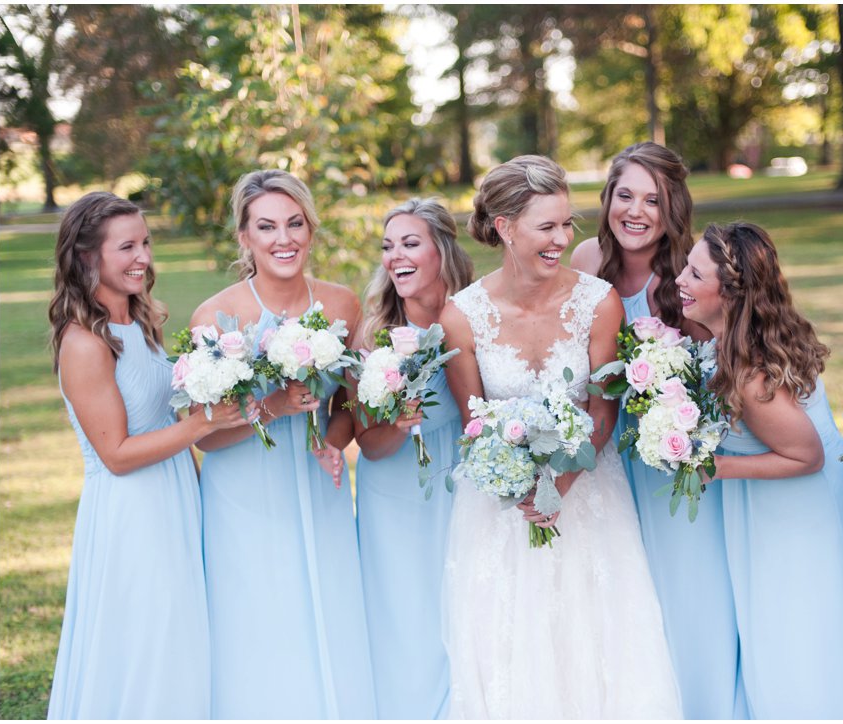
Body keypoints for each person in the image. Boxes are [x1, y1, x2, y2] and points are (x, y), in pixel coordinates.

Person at [440, 155, 681, 718]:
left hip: (587, 496)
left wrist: (560, 482)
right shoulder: (462, 316)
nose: (562, 238)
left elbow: (602, 412)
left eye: (566, 224)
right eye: (546, 227)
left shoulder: (598, 302)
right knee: (510, 647)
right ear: (503, 227)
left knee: (596, 644)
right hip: (501, 508)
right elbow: (474, 421)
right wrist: (521, 483)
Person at [46, 192, 253, 718]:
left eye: (145, 243)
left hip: (175, 497)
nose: (143, 257)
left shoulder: (140, 324)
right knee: (147, 645)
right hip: (131, 513)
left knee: (178, 638)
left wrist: (255, 408)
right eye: (127, 247)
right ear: (88, 256)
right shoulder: (84, 343)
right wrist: (201, 423)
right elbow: (115, 453)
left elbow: (172, 421)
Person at [191, 170, 375, 718]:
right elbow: (206, 438)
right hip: (244, 493)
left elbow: (348, 403)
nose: (283, 239)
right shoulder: (217, 317)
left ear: (311, 230)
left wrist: (335, 443)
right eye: (266, 227)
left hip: (318, 485)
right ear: (245, 238)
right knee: (258, 620)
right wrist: (273, 406)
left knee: (328, 606)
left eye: (295, 224)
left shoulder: (342, 306)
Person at [570, 142, 743, 718]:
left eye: (653, 199)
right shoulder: (587, 261)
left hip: (671, 455)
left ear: (673, 208)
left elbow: (726, 366)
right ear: (608, 198)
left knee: (683, 586)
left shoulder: (688, 275)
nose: (636, 211)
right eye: (625, 195)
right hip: (604, 451)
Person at [677, 221, 843, 719]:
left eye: (695, 274)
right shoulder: (737, 336)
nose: (680, 279)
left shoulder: (751, 372)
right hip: (778, 502)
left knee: (795, 632)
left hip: (799, 512)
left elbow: (806, 456)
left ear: (730, 294)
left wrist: (713, 466)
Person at [354, 198, 474, 719]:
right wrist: (397, 423)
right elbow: (370, 445)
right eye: (387, 246)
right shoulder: (375, 333)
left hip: (464, 488)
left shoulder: (473, 317)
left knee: (465, 613)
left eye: (409, 243)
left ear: (441, 250)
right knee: (406, 621)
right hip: (396, 494)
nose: (394, 257)